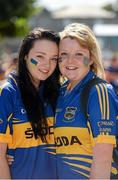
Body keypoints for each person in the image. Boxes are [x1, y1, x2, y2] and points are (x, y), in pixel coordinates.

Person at [54, 23, 118, 179]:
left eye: (78, 54)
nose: (70, 61)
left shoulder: (99, 91)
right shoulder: (60, 92)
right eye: (64, 54)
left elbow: (103, 159)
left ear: (91, 59)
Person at [0, 27, 60, 179]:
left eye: (54, 58)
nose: (47, 64)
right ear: (25, 56)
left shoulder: (59, 92)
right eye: (40, 56)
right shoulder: (8, 93)